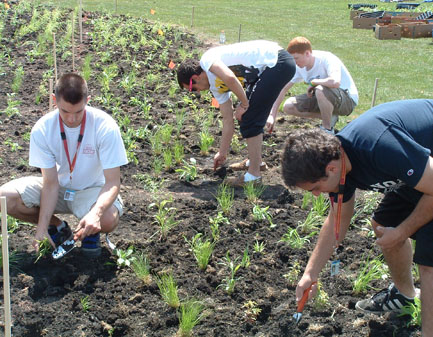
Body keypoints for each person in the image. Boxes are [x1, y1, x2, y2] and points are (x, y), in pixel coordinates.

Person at [280, 99, 433, 336]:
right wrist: (310, 273)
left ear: (331, 169)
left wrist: (402, 232)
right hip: (420, 170)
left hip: (429, 171)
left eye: (315, 188)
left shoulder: (379, 146)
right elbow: (337, 220)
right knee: (384, 226)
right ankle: (405, 296)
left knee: (429, 263)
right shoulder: (339, 163)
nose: (318, 195)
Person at [0, 73, 128, 258]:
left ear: (87, 101)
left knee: (107, 219)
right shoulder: (42, 129)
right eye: (65, 112)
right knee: (5, 198)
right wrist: (41, 228)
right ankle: (57, 227)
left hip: (91, 190)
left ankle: (91, 231)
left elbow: (113, 182)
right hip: (59, 187)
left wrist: (96, 213)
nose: (72, 119)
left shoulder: (105, 127)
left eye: (78, 112)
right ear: (54, 101)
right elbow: (50, 183)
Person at [177, 40, 296, 186]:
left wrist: (244, 104)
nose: (196, 92)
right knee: (245, 116)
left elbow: (230, 78)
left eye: (192, 89)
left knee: (250, 117)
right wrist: (222, 153)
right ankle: (256, 163)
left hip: (277, 63)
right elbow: (228, 120)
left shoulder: (207, 61)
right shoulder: (216, 88)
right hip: (271, 69)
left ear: (195, 78)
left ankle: (253, 176)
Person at [271, 36, 358, 133]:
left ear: (307, 53)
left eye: (296, 58)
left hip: (347, 100)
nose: (295, 62)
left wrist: (314, 82)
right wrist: (272, 115)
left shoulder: (327, 58)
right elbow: (283, 89)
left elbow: (335, 82)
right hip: (323, 97)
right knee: (288, 106)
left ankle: (327, 129)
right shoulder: (298, 67)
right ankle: (330, 117)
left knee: (320, 89)